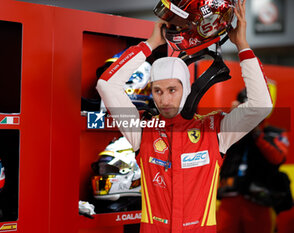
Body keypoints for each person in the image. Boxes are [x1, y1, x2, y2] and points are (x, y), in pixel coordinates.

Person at [96, 1, 273, 232]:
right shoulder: (141, 129)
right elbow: (106, 85)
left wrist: (242, 45)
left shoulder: (215, 130)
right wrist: (150, 44)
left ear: (186, 90)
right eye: (157, 91)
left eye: (172, 90)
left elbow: (261, 105)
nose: (165, 99)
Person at [217, 88, 291, 233]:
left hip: (260, 199)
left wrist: (255, 131)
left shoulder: (274, 133)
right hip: (229, 198)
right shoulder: (232, 130)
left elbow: (277, 157)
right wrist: (234, 119)